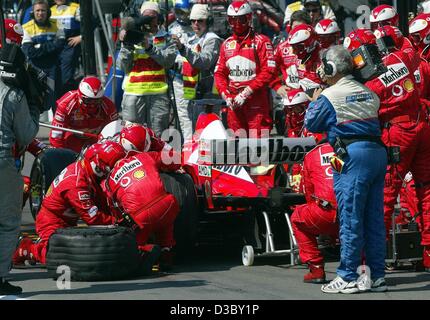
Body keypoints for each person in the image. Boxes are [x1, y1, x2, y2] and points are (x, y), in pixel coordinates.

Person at [345, 27, 430, 273]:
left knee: (384, 197)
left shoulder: (368, 84)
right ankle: (428, 252)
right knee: (426, 191)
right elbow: (407, 47)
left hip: (396, 135)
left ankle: (372, 262)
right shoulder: (405, 56)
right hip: (422, 128)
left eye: (356, 56)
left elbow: (361, 113)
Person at [305, 45, 387, 293]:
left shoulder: (330, 96)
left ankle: (348, 276)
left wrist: (317, 98)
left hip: (351, 156)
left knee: (350, 217)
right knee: (373, 218)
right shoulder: (370, 93)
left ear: (331, 68)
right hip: (377, 154)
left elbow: (311, 122)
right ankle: (376, 275)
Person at [13, 141, 124, 266]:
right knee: (58, 259)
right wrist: (119, 223)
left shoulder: (87, 171)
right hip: (52, 221)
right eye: (111, 168)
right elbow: (93, 219)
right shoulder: (76, 184)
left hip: (69, 220)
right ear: (98, 165)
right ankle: (26, 249)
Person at [105, 136, 181, 270]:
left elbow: (116, 213)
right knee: (164, 216)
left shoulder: (108, 181)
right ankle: (166, 250)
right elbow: (175, 159)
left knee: (134, 244)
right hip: (167, 205)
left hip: (141, 219)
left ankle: (145, 250)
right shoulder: (146, 156)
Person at [0, 47, 41, 295]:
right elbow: (26, 134)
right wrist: (34, 108)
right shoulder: (14, 95)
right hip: (2, 160)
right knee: (7, 222)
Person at [214, 0, 276, 137]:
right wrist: (226, 94)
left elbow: (269, 71)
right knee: (238, 149)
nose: (236, 25)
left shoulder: (262, 41)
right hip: (234, 104)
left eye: (241, 20)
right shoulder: (226, 44)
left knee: (259, 149)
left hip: (257, 104)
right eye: (232, 20)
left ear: (249, 18)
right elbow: (219, 73)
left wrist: (246, 92)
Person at [118, 1, 176, 137]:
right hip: (133, 93)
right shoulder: (133, 35)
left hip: (158, 95)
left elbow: (168, 62)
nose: (149, 20)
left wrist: (149, 47)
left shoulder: (167, 37)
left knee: (158, 136)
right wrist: (126, 45)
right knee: (131, 136)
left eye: (152, 16)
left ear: (159, 18)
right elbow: (122, 66)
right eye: (146, 16)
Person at [172, 4, 223, 141]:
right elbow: (185, 64)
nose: (195, 24)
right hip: (193, 93)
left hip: (209, 94)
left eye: (200, 20)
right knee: (190, 128)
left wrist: (183, 49)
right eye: (193, 20)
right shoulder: (190, 39)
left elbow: (205, 61)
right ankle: (191, 155)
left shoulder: (212, 39)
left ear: (208, 21)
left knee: (209, 131)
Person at [291, 141, 338, 283]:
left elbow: (309, 194)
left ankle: (316, 268)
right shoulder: (344, 150)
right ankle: (365, 268)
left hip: (325, 210)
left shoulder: (311, 155)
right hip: (351, 209)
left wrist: (323, 227)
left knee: (297, 218)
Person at [49, 76, 119, 153]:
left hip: (96, 138)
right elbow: (57, 133)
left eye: (96, 101)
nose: (92, 105)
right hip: (73, 137)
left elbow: (114, 130)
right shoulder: (65, 104)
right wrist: (59, 153)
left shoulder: (108, 106)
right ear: (80, 96)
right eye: (88, 100)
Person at [21, 0, 65, 112]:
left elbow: (60, 45)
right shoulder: (26, 27)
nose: (40, 13)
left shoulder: (58, 25)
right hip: (34, 69)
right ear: (33, 13)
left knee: (55, 98)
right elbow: (29, 51)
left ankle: (57, 125)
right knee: (35, 98)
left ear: (48, 12)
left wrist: (38, 47)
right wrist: (50, 46)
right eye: (38, 11)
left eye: (43, 10)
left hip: (52, 68)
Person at [271, 24, 323, 98]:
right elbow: (267, 67)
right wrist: (276, 86)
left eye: (298, 48)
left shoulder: (324, 56)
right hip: (292, 99)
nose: (293, 52)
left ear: (310, 44)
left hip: (316, 100)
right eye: (292, 47)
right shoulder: (282, 48)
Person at [50, 0, 81, 95]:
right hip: (53, 47)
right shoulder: (50, 10)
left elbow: (90, 22)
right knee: (52, 77)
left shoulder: (76, 8)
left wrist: (81, 37)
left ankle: (68, 102)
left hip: (69, 46)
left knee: (65, 78)